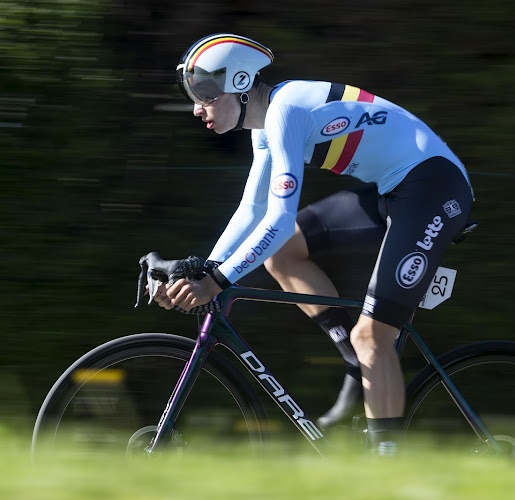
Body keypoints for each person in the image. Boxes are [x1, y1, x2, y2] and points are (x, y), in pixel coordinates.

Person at [153, 33, 473, 456]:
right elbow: (252, 209)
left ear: (242, 82)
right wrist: (203, 268)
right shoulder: (265, 125)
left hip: (433, 188)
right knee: (284, 257)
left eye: (207, 93)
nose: (198, 107)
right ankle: (354, 360)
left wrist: (219, 278)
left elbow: (279, 219)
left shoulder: (285, 111)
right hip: (393, 191)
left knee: (372, 336)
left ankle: (388, 467)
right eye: (193, 95)